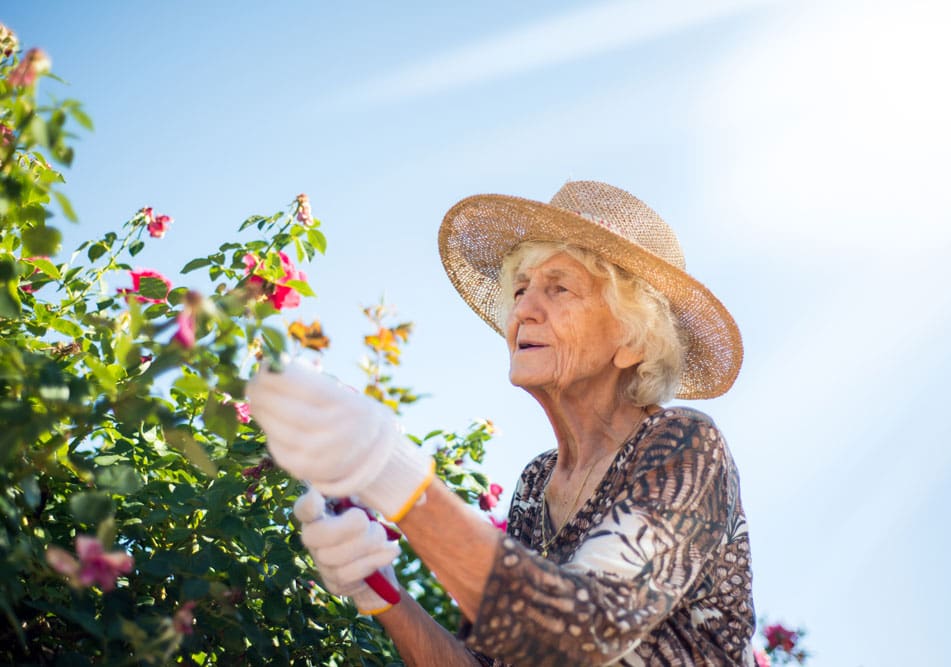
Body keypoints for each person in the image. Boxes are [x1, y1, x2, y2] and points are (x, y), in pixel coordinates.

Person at [248, 181, 755, 665]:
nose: (524, 310)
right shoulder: (535, 484)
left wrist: (388, 472)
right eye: (519, 290)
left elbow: (584, 631)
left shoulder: (683, 443)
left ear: (633, 340)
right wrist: (383, 593)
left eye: (559, 290)